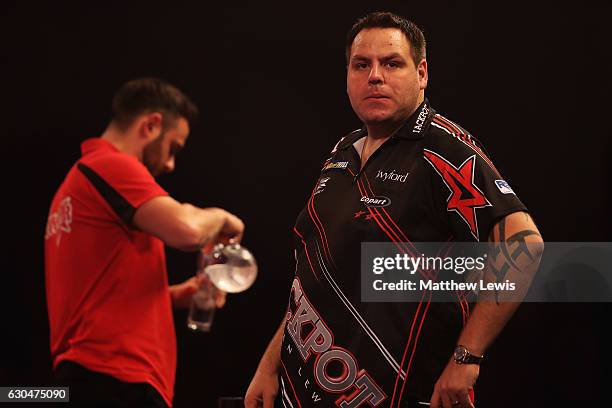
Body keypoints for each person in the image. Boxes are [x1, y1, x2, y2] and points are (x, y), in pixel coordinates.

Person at [245, 12, 543, 408]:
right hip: (305, 388)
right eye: (361, 64)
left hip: (402, 392)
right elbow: (315, 273)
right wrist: (269, 366)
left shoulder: (444, 149)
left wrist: (467, 357)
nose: (374, 76)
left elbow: (524, 245)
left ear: (421, 73)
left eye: (391, 63)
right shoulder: (342, 152)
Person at [44, 78, 244, 407]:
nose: (170, 164)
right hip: (114, 382)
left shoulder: (74, 185)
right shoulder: (110, 165)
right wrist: (220, 217)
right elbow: (188, 230)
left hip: (96, 379)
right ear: (151, 125)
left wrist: (175, 297)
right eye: (173, 148)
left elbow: (96, 301)